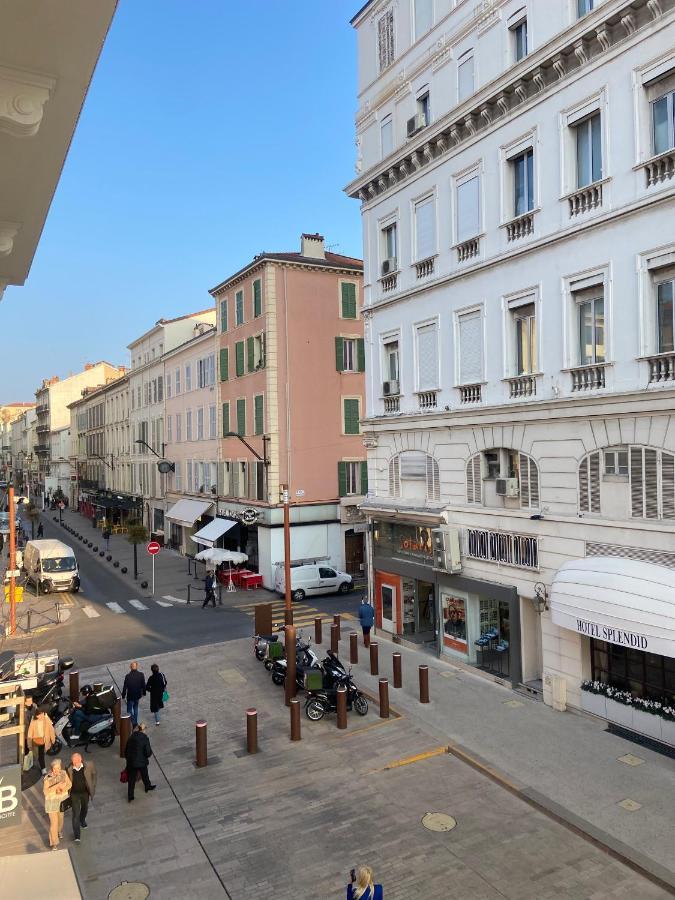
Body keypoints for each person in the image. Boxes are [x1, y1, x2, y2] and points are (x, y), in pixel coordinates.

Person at [66, 752, 96, 843]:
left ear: (81, 759)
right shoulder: (69, 768)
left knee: (85, 808)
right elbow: (66, 780)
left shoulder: (89, 765)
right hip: (74, 794)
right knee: (75, 814)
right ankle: (77, 836)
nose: (75, 763)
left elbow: (94, 774)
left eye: (77, 761)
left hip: (85, 793)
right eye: (73, 761)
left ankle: (82, 820)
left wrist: (93, 785)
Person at [43, 759, 71, 850]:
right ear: (52, 769)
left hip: (61, 801)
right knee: (53, 823)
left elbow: (69, 784)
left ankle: (59, 831)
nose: (57, 770)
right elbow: (45, 792)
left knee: (60, 820)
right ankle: (54, 843)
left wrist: (62, 789)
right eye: (55, 768)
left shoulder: (63, 773)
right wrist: (56, 787)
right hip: (51, 804)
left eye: (58, 768)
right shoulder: (47, 778)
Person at [124, 723, 156, 802]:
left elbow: (126, 751)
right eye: (145, 729)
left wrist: (129, 759)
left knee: (131, 779)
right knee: (145, 774)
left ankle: (130, 796)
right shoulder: (145, 738)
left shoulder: (131, 737)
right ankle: (147, 786)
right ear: (143, 730)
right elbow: (148, 752)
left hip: (131, 762)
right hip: (141, 762)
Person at [28, 706, 56, 774]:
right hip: (35, 741)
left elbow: (51, 730)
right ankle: (37, 765)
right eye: (39, 715)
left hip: (43, 741)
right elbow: (30, 733)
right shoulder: (33, 721)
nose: (41, 716)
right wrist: (29, 744)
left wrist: (53, 739)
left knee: (41, 755)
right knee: (36, 755)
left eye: (42, 714)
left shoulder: (47, 720)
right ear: (36, 715)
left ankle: (43, 769)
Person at [121, 661, 146, 726]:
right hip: (137, 695)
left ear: (130, 667)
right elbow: (143, 685)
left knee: (129, 710)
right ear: (137, 667)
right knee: (135, 708)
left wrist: (123, 695)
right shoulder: (141, 674)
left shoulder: (127, 676)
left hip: (130, 696)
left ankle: (134, 722)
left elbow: (125, 687)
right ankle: (135, 721)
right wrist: (144, 692)